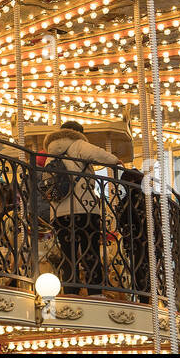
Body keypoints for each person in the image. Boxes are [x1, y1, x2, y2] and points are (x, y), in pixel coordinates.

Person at [43, 121, 124, 296]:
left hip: (60, 213)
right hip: (84, 208)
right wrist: (116, 161)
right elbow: (100, 155)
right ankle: (95, 290)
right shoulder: (78, 144)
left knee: (68, 253)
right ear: (77, 132)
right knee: (90, 249)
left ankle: (70, 289)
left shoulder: (51, 154)